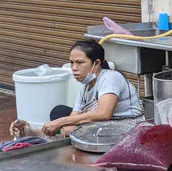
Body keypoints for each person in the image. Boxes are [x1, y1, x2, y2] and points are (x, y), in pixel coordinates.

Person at [11, 40, 144, 139]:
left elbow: (104, 114)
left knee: (65, 122)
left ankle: (38, 135)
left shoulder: (111, 77)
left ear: (97, 63)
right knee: (60, 114)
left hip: (128, 128)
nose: (74, 68)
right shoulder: (85, 88)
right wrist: (54, 127)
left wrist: (60, 122)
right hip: (104, 125)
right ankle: (36, 134)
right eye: (72, 63)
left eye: (80, 62)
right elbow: (73, 119)